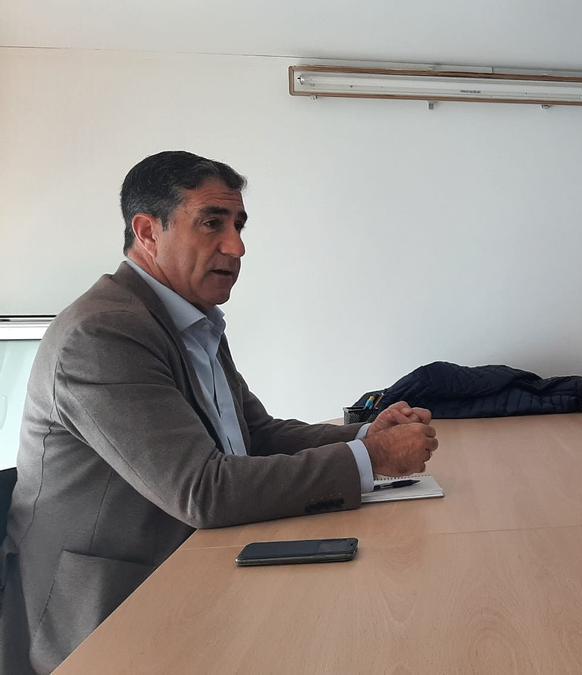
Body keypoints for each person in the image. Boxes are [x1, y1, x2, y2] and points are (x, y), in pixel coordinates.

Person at [0, 151, 440, 673]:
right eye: (212, 223)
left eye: (238, 225)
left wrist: (366, 431)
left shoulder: (192, 320)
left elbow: (255, 434)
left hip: (196, 566)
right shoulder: (103, 334)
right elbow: (202, 490)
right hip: (111, 611)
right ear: (147, 231)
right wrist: (371, 458)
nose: (236, 246)